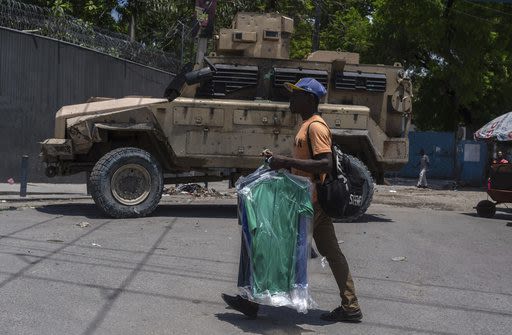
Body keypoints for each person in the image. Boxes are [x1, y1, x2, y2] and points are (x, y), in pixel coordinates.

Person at [221, 78, 362, 322]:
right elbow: (306, 164)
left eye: (296, 94)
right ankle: (350, 306)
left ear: (309, 99)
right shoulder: (306, 125)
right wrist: (279, 159)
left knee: (270, 243)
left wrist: (285, 162)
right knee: (330, 252)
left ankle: (252, 300)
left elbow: (325, 163)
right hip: (310, 201)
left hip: (310, 204)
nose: (291, 98)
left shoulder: (315, 127)